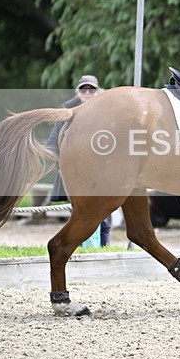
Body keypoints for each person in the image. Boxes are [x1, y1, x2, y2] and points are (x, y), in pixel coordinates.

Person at [46, 75, 112, 246]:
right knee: (80, 218)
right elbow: (52, 143)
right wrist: (61, 166)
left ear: (98, 92)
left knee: (104, 218)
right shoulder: (67, 112)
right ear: (78, 91)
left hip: (103, 174)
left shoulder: (109, 111)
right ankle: (78, 251)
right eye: (84, 89)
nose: (88, 93)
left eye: (92, 89)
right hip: (76, 174)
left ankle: (104, 252)